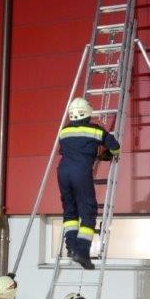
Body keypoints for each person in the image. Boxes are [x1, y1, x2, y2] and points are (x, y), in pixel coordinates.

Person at [57, 97, 121, 270]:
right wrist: (108, 154)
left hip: (62, 173)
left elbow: (67, 150)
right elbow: (115, 146)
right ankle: (82, 251)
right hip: (80, 173)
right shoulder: (95, 130)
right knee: (88, 211)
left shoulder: (64, 131)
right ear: (87, 113)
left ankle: (71, 247)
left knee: (70, 211)